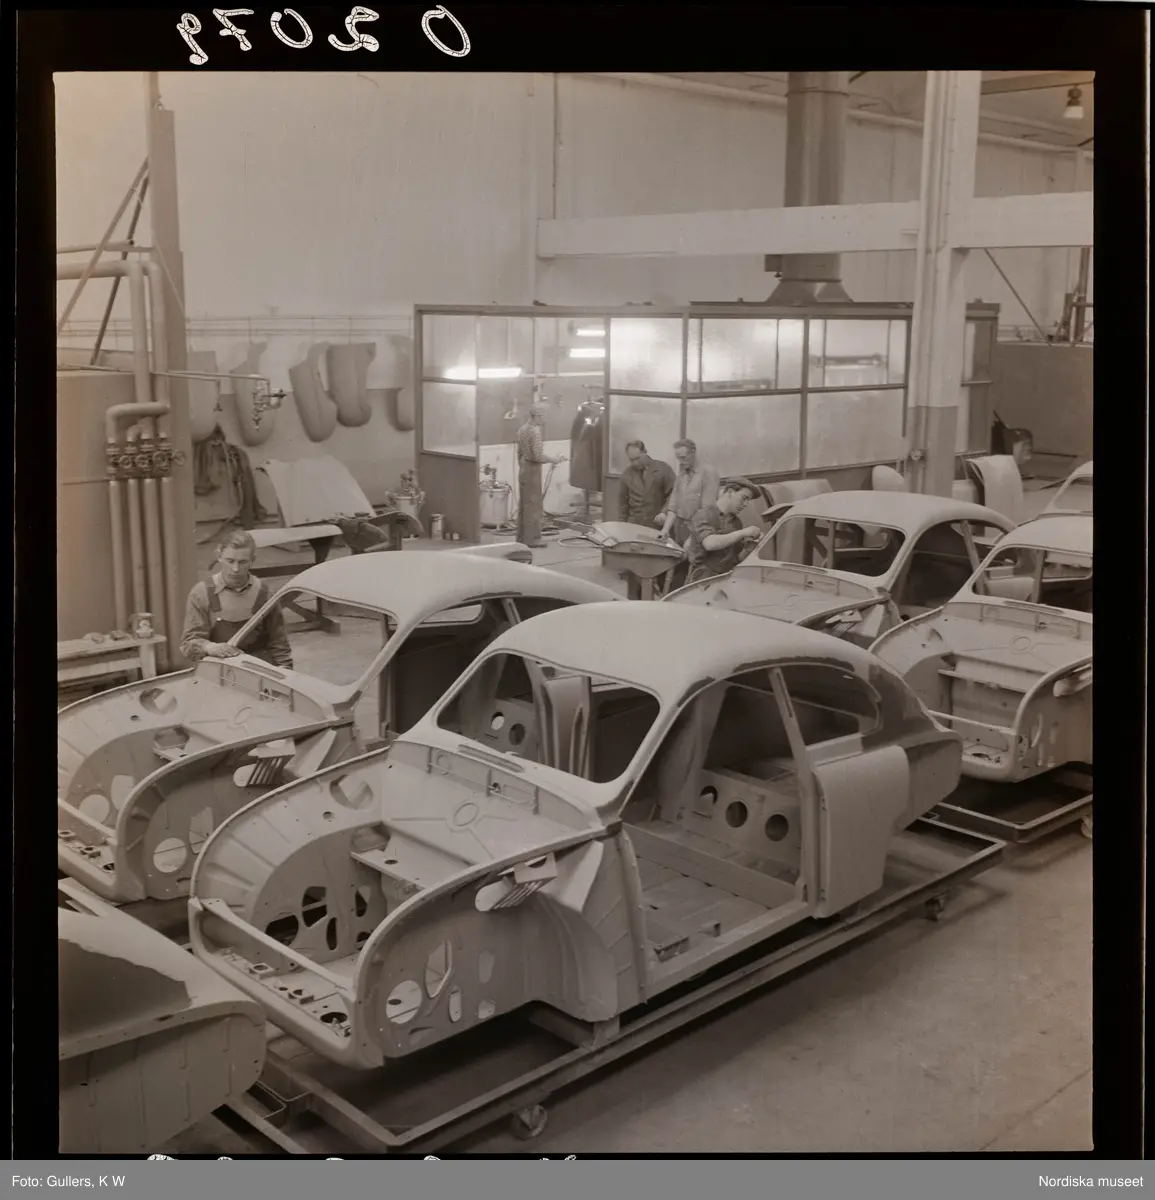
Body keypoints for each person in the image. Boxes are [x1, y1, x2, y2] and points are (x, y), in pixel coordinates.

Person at [179, 529, 293, 668]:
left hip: (258, 668)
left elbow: (279, 643)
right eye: (230, 561)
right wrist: (210, 647)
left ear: (252, 560)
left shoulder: (265, 593)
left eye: (242, 562)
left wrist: (286, 670)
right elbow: (188, 644)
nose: (235, 569)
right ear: (219, 556)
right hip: (219, 669)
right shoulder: (201, 593)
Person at [684, 478, 764, 585]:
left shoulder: (736, 523)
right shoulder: (704, 514)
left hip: (725, 580)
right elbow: (709, 543)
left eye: (748, 500)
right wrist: (744, 532)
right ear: (730, 492)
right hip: (701, 581)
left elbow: (735, 560)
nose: (745, 504)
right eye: (744, 498)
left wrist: (748, 549)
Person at [516, 402, 566, 548]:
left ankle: (521, 538)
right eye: (543, 416)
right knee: (533, 506)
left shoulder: (522, 429)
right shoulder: (535, 432)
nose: (544, 420)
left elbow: (519, 453)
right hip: (532, 470)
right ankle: (533, 540)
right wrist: (553, 459)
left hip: (523, 468)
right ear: (537, 416)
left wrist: (523, 466)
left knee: (524, 506)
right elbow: (537, 456)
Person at [657, 438, 720, 549]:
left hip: (698, 530)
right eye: (678, 458)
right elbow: (673, 507)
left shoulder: (709, 473)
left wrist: (692, 538)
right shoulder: (681, 476)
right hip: (679, 529)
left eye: (683, 458)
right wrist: (665, 530)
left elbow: (707, 510)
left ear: (693, 452)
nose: (681, 462)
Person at [617, 440, 675, 526]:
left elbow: (674, 494)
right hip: (634, 525)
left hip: (657, 525)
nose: (635, 463)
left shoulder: (663, 468)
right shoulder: (627, 474)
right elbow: (622, 503)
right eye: (631, 460)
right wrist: (621, 524)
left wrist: (664, 512)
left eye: (638, 458)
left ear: (645, 452)